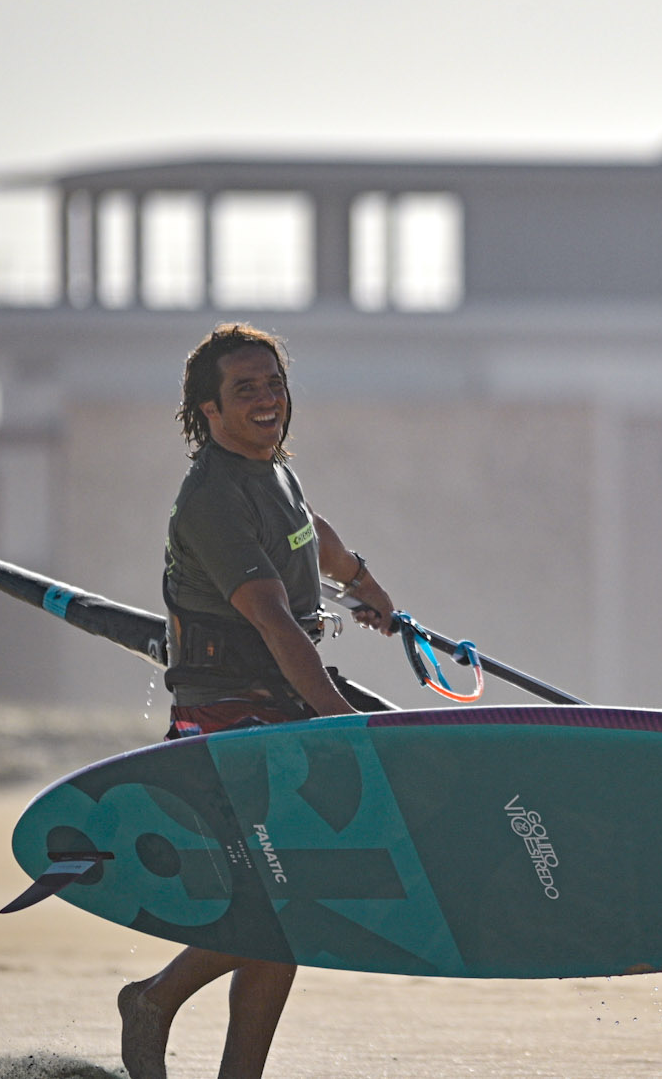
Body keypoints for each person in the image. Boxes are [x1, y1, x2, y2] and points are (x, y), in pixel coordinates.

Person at [117, 321, 397, 1079]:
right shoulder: (210, 497)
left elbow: (309, 532)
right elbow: (273, 617)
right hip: (226, 719)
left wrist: (363, 584)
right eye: (246, 389)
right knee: (292, 895)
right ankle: (154, 998)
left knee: (289, 902)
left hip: (276, 704)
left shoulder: (271, 470)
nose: (268, 399)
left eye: (274, 383)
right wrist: (342, 720)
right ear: (207, 410)